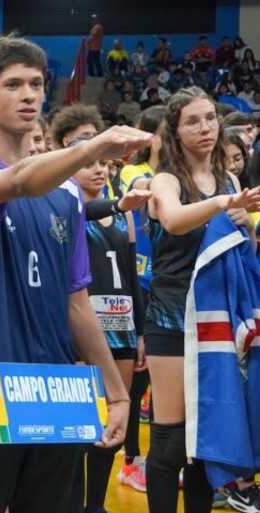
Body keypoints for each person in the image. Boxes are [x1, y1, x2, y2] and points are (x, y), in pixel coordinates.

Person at [0, 33, 150, 513]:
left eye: (35, 83)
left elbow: (78, 302)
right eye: (13, 84)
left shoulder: (69, 197)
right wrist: (92, 148)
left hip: (57, 391)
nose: (29, 94)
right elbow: (17, 182)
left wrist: (117, 395)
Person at [145, 87, 260, 513]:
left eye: (210, 117)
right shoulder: (166, 179)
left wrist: (244, 219)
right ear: (175, 131)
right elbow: (173, 221)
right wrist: (223, 203)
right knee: (171, 439)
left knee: (204, 438)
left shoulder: (229, 179)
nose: (205, 128)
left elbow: (241, 241)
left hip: (215, 320)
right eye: (192, 121)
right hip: (171, 318)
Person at [70, 140, 146, 513]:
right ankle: (71, 500)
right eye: (91, 164)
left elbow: (131, 272)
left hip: (122, 324)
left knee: (114, 417)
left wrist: (142, 330)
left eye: (105, 165)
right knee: (82, 422)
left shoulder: (124, 214)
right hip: (84, 329)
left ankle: (95, 505)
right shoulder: (70, 211)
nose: (100, 170)